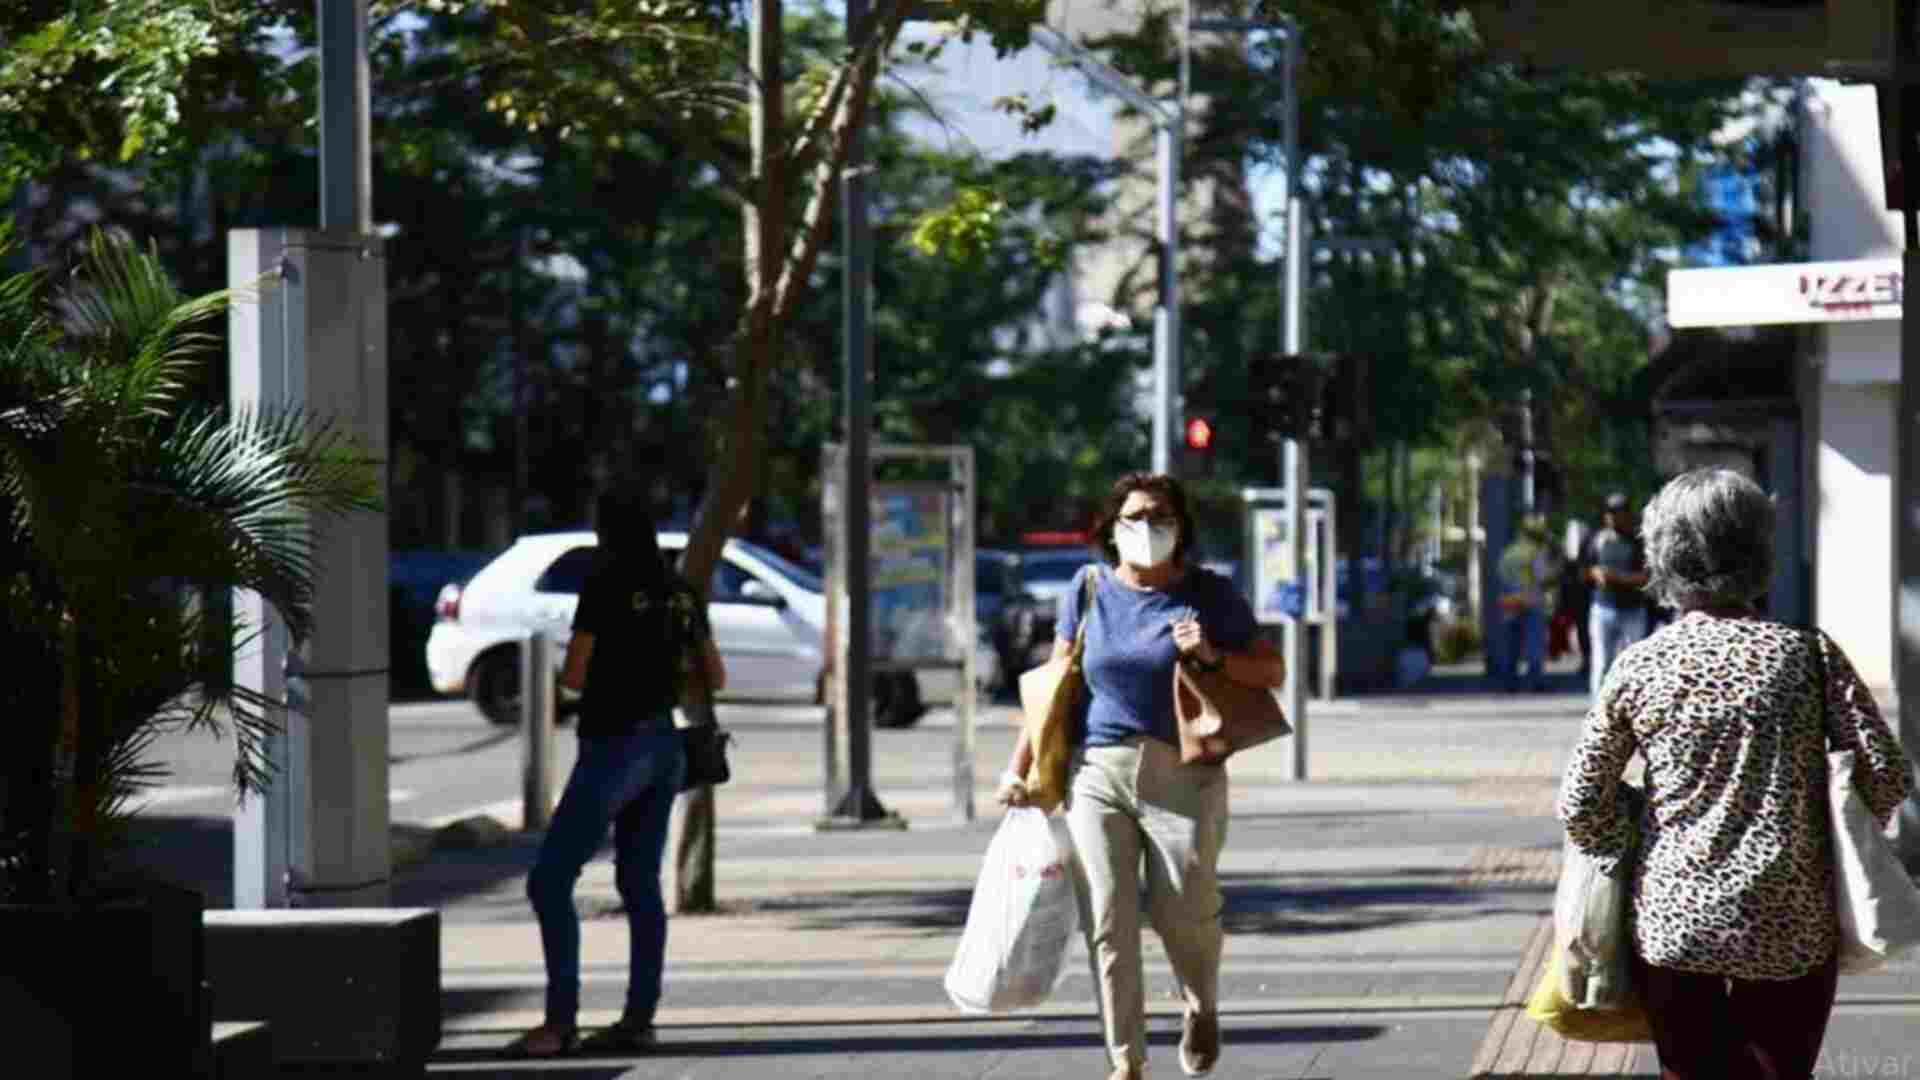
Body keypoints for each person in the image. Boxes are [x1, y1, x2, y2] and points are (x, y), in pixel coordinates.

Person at [1557, 467, 1913, 1080]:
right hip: (1791, 914)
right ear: (1758, 552)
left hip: (1674, 916)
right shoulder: (1808, 654)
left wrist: (1640, 833)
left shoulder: (1639, 666)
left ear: (1662, 555)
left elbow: (1582, 804)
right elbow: (1888, 777)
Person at [996, 473, 1282, 1080]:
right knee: (1108, 920)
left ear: (1179, 528)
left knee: (1187, 911)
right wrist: (1018, 770)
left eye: (1159, 516)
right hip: (1096, 771)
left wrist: (1212, 654)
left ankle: (1200, 1004)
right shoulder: (1089, 587)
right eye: (1133, 517)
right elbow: (1054, 686)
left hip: (1183, 773)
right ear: (1111, 528)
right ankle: (1126, 1062)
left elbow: (1270, 671)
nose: (1146, 528)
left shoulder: (1209, 594)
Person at [509, 490, 726, 1059]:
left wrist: (600, 670)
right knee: (640, 885)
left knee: (550, 880)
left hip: (613, 746)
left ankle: (560, 1023)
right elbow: (715, 673)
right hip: (665, 747)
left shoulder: (603, 585)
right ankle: (638, 1019)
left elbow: (576, 676)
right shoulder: (679, 590)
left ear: (606, 535)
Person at [1583, 492, 1649, 698]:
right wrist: (1596, 573)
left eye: (1618, 512)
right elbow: (1585, 568)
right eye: (1610, 512)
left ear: (1628, 514)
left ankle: (1634, 704)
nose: (1612, 517)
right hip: (1603, 608)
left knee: (1635, 663)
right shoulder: (1597, 539)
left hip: (1633, 610)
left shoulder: (1640, 541)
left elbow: (1647, 577)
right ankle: (1598, 707)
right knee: (1602, 662)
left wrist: (1617, 578)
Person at [1495, 515, 1557, 692]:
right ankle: (1535, 681)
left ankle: (1509, 682)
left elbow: (1501, 575)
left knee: (1512, 645)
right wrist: (1555, 574)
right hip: (1531, 602)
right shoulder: (1535, 552)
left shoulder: (1509, 552)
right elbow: (1543, 577)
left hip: (1510, 603)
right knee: (1534, 644)